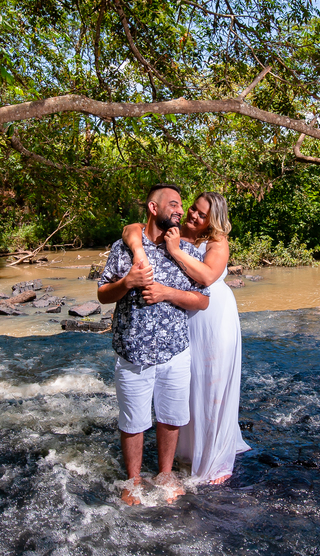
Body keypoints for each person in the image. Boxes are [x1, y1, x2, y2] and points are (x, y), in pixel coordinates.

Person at [123, 191, 250, 484]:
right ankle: (189, 451)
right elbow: (131, 229)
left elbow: (206, 276)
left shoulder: (217, 242)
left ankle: (216, 459)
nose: (193, 215)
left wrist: (176, 251)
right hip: (183, 317)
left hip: (214, 318)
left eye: (202, 215)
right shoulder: (173, 228)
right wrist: (139, 249)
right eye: (193, 208)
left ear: (213, 220)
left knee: (213, 383)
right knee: (187, 385)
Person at [97, 184, 210, 505]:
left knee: (171, 416)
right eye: (173, 204)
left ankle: (165, 473)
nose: (180, 211)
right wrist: (127, 282)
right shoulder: (125, 248)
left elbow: (202, 300)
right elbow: (102, 294)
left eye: (181, 205)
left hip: (175, 350)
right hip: (133, 351)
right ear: (153, 207)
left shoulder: (186, 250)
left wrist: (167, 293)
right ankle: (133, 480)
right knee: (133, 421)